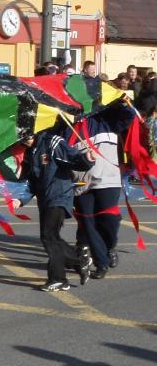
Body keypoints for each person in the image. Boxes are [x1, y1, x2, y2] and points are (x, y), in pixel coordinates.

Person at [12, 130, 95, 292]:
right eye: (21, 137)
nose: (25, 140)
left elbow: (73, 158)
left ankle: (58, 279)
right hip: (45, 200)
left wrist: (86, 159)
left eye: (27, 135)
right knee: (51, 237)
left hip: (59, 196)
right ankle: (79, 261)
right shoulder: (29, 152)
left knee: (49, 235)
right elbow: (31, 182)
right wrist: (20, 199)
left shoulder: (52, 141)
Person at [66, 101, 135, 279]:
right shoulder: (66, 127)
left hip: (108, 180)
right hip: (81, 185)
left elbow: (129, 116)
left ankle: (109, 247)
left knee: (109, 221)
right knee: (88, 225)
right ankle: (101, 262)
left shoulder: (105, 119)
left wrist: (118, 103)